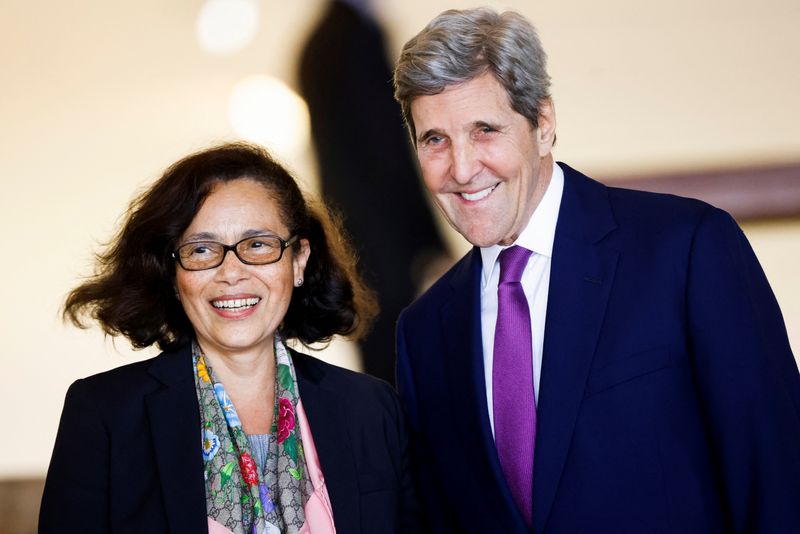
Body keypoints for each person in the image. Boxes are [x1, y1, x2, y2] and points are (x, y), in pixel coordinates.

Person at [393, 7, 800, 533]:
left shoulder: (686, 250)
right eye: (435, 140)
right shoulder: (423, 333)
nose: (463, 168)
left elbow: (779, 481)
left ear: (542, 124)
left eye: (485, 130)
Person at [40, 142, 418, 533]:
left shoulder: (371, 409)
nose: (231, 272)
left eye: (257, 245)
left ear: (299, 260)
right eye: (202, 249)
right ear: (173, 274)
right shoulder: (106, 414)